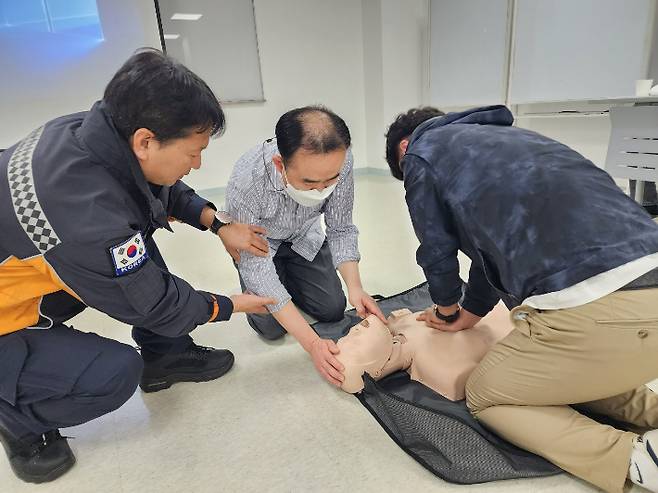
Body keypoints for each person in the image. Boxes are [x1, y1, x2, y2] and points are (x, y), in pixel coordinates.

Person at [0, 48, 274, 483]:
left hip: (29, 269)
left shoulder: (93, 133)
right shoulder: (87, 216)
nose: (198, 164)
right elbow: (153, 304)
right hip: (8, 321)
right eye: (193, 152)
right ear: (146, 141)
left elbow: (152, 190)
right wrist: (230, 305)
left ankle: (167, 355)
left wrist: (217, 223)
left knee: (136, 234)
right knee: (115, 372)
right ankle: (15, 418)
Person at [384, 105, 658, 493]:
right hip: (648, 300)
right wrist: (471, 312)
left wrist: (445, 310)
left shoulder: (421, 153)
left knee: (486, 395)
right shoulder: (513, 140)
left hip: (600, 308)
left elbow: (437, 248)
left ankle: (635, 459)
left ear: (405, 146)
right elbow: (486, 250)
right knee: (576, 371)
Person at [223, 106, 385, 386]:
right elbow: (258, 269)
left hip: (303, 236)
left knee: (334, 308)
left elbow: (341, 227)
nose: (321, 190)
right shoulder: (248, 181)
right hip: (260, 246)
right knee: (271, 328)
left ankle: (292, 280)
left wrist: (355, 287)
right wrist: (312, 344)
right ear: (279, 164)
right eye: (309, 182)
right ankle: (283, 285)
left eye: (329, 181)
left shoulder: (340, 161)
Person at [336, 303, 512, 400]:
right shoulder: (435, 368)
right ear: (374, 372)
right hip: (517, 330)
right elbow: (464, 382)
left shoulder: (398, 323)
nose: (356, 330)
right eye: (354, 344)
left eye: (345, 337)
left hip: (501, 302)